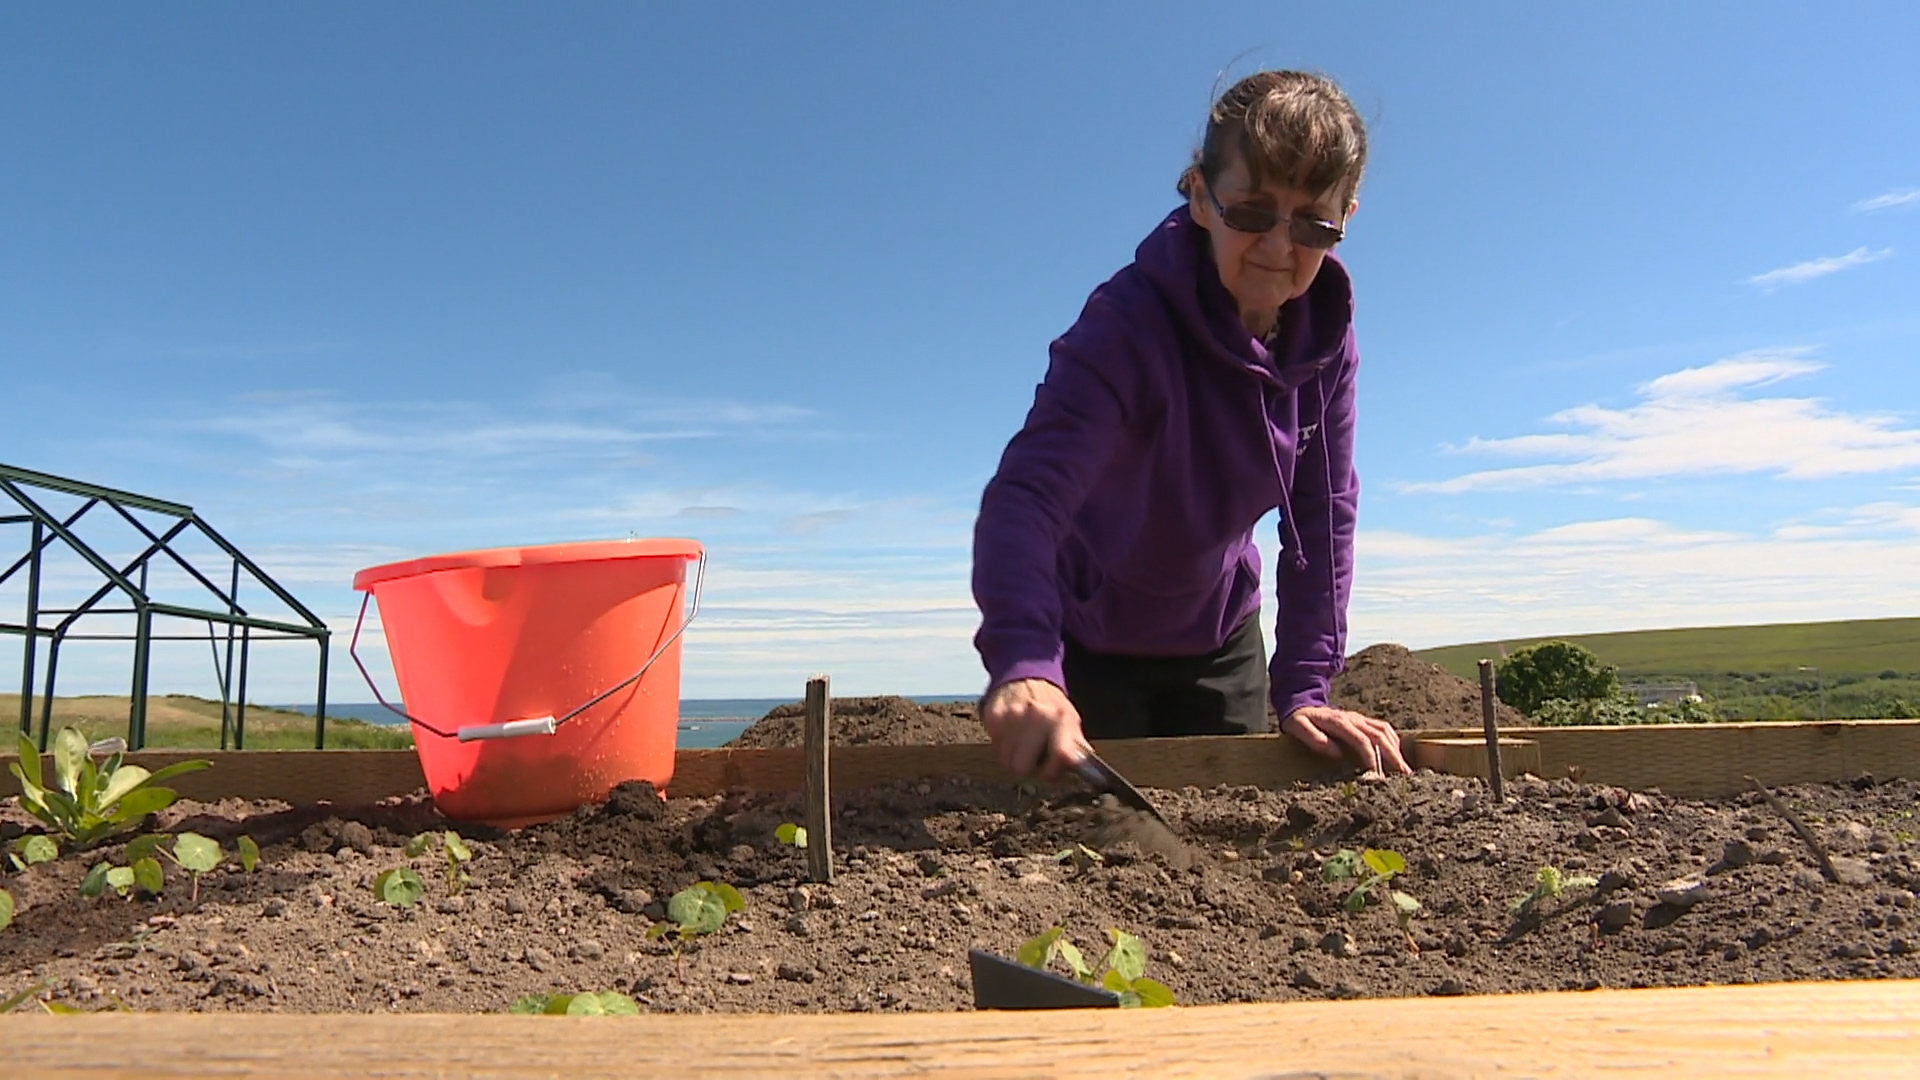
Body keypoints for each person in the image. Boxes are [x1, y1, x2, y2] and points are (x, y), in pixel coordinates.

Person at [971, 69, 1412, 782]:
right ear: (1203, 197)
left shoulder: (1326, 342)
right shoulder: (1124, 326)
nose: (1279, 245)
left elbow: (1322, 513)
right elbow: (1028, 498)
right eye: (1253, 212)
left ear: (1345, 221)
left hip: (1221, 641)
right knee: (1084, 862)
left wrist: (1305, 686)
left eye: (1312, 224)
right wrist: (1025, 663)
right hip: (1091, 641)